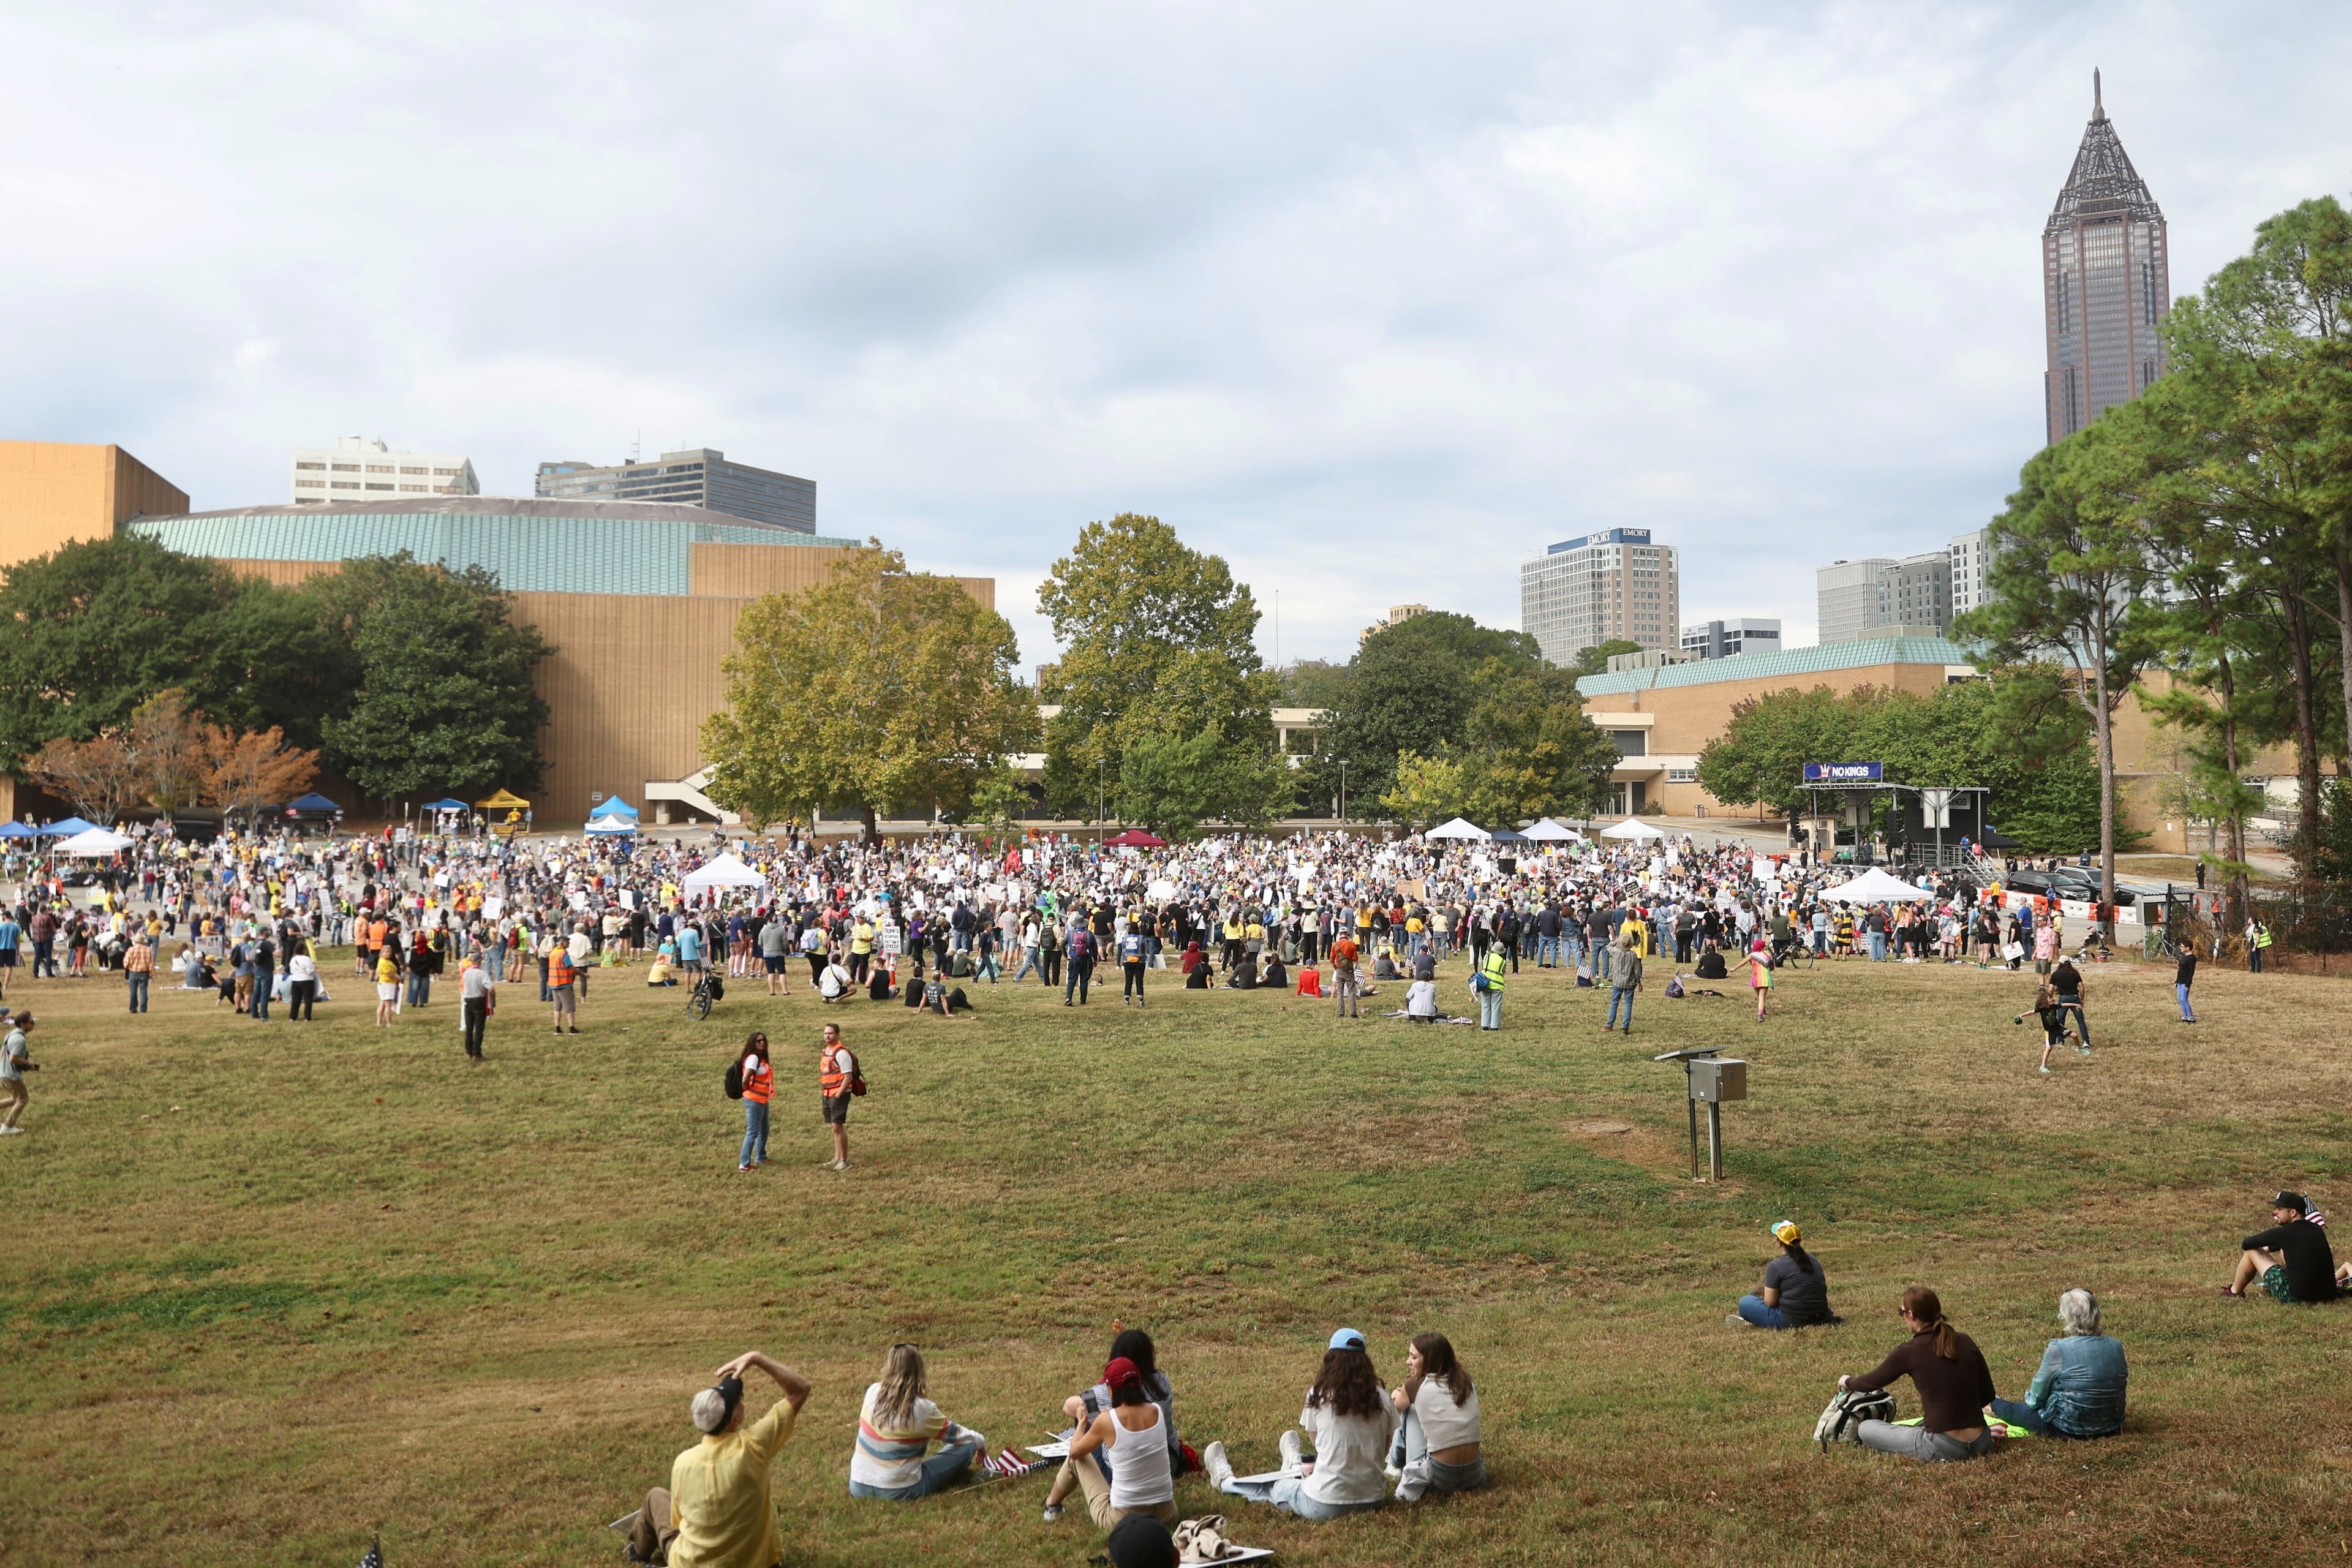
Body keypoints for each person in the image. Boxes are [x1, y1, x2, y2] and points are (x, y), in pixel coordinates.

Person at [621, 1349, 812, 1568]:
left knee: (656, 1497)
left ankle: (638, 1554)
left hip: (689, 1563)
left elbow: (679, 1521)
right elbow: (800, 1390)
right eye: (740, 1400)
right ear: (735, 1419)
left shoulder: (683, 1463)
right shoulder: (754, 1446)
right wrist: (757, 1358)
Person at [1204, 1328, 1396, 1520]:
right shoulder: (1384, 1398)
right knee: (1302, 1478)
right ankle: (1294, 1466)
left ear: (1331, 1361)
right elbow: (1384, 1448)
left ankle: (1226, 1482)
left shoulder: (1319, 1394)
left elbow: (1318, 1443)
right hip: (1374, 1500)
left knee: (1279, 1488)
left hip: (1325, 1503)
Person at [1836, 1286, 1999, 1462]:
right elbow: (1988, 1395)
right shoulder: (1965, 1340)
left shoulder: (1910, 1351)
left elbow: (1870, 1382)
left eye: (1902, 1312)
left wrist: (1848, 1381)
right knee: (1914, 1429)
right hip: (1983, 1442)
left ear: (1911, 1315)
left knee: (1867, 1428)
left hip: (1942, 1446)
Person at [1045, 1355, 1178, 1531]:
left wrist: (1082, 1422)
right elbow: (1129, 1419)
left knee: (1076, 1459)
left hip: (1124, 1520)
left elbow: (1075, 1452)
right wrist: (1107, 1415)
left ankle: (1051, 1506)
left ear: (1110, 1389)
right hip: (1167, 1515)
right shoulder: (1157, 1411)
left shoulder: (1107, 1422)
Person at [849, 1344, 987, 1500]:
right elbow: (959, 1436)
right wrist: (979, 1442)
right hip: (901, 1490)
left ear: (889, 1366)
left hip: (858, 1485)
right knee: (967, 1446)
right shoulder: (922, 1409)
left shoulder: (872, 1391)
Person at [1986, 1289, 2127, 1439]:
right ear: (2096, 1313)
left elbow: (2036, 1397)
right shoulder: (2115, 1345)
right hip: (2112, 1426)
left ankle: (1990, 1406)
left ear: (2065, 1315)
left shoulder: (2060, 1348)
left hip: (2069, 1429)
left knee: (2010, 1410)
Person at [1388, 1332, 1483, 1502]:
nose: (1408, 1362)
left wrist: (1397, 1393)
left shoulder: (1415, 1385)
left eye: (1414, 1357)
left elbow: (1393, 1408)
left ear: (1429, 1360)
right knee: (1415, 1405)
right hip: (1475, 1474)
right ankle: (1394, 1464)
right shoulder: (1466, 1381)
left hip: (1441, 1478)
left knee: (1410, 1410)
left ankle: (1394, 1464)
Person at [2223, 1190, 2340, 1303]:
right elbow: (2297, 1243)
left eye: (2279, 1209)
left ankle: (2234, 1292)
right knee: (2284, 1249)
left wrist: (2265, 1248)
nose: (2275, 1213)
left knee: (2251, 1252)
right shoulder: (2316, 1229)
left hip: (2299, 1298)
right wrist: (2270, 1248)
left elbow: (2247, 1243)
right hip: (2328, 1295)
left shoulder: (2285, 1232)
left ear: (2293, 1213)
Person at [1732, 1220, 1834, 1329]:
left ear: (1779, 1242)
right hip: (1820, 1316)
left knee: (1745, 1302)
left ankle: (1751, 1319)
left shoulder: (1776, 1266)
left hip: (1791, 1320)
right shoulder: (1813, 1260)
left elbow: (1770, 1302)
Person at [820, 1023, 856, 1171]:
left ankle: (844, 1160)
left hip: (838, 1094)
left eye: (831, 1033)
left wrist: (838, 1094)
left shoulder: (841, 1053)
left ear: (837, 1035)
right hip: (827, 1094)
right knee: (835, 1127)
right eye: (826, 1033)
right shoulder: (827, 1051)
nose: (828, 1036)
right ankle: (837, 1157)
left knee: (837, 1126)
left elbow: (848, 1077)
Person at [736, 1034, 772, 1172]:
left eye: (763, 1040)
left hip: (762, 1099)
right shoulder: (753, 1058)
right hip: (754, 1100)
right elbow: (746, 1079)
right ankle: (744, 1164)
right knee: (753, 1131)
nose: (762, 1043)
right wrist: (747, 1091)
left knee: (764, 1128)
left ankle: (761, 1156)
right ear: (753, 1043)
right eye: (758, 1041)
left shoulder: (761, 1058)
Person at [0, 1011, 34, 1134]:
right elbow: (13, 1058)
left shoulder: (11, 1035)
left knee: (16, 1099)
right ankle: (7, 1127)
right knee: (23, 1099)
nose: (34, 1024)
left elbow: (2, 1053)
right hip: (11, 1076)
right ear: (23, 1024)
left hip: (3, 1074)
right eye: (32, 1022)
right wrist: (28, 1064)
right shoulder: (20, 1039)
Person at [2049, 957, 2089, 1055]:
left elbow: (2051, 989)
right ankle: (2086, 1041)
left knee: (2060, 1021)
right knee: (2081, 1021)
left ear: (2060, 963)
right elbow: (2081, 987)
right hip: (2075, 998)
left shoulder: (2056, 974)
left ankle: (2061, 1041)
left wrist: (2050, 998)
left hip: (2063, 999)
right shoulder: (2075, 973)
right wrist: (2082, 999)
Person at [1605, 931, 1642, 1033]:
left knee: (1614, 1003)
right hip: (1630, 983)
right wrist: (1639, 982)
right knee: (1628, 1004)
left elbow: (1608, 946)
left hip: (1617, 982)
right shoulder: (1633, 955)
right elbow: (1637, 970)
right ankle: (1624, 1027)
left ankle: (1609, 1026)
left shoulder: (1616, 952)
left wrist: (1615, 941)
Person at [1474, 943, 1506, 1031]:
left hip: (1485, 983)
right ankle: (1494, 1026)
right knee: (1496, 1006)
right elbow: (1503, 971)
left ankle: (1485, 1025)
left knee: (1485, 1005)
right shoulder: (1503, 961)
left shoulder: (1486, 957)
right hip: (1497, 985)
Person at [1330, 930, 1360, 1019]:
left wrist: (1336, 968)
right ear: (1347, 934)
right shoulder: (1351, 944)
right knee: (1352, 991)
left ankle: (1341, 1013)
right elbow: (1355, 958)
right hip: (1349, 971)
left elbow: (1332, 960)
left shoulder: (1335, 945)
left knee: (1340, 992)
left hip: (1339, 970)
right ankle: (1353, 1013)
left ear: (1340, 935)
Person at [287, 941, 319, 1022]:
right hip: (307, 980)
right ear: (303, 950)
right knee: (308, 999)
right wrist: (315, 968)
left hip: (295, 980)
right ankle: (307, 1017)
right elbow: (310, 971)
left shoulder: (293, 960)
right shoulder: (307, 959)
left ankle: (293, 1017)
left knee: (295, 1000)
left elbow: (291, 971)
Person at [123, 930, 154, 1014]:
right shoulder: (148, 950)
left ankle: (133, 1008)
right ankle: (143, 1009)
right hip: (144, 972)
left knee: (133, 991)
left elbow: (126, 962)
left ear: (135, 941)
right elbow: (151, 964)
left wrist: (128, 967)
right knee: (144, 991)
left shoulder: (131, 950)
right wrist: (151, 974)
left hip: (133, 972)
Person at [1120, 925, 1147, 1008]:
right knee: (1139, 981)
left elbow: (1123, 948)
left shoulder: (1126, 938)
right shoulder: (1142, 938)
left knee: (1128, 981)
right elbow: (1146, 949)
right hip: (1140, 961)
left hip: (1128, 961)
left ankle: (1127, 999)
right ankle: (1141, 1000)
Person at [2175, 944, 2197, 1024]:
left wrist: (2188, 984)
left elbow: (2191, 972)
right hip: (2180, 981)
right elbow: (2180, 971)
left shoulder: (2192, 958)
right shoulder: (2184, 957)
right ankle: (2185, 1016)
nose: (2180, 948)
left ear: (2187, 948)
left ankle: (2191, 1017)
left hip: (2185, 982)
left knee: (2184, 999)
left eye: (2182, 946)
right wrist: (2177, 981)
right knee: (2180, 1000)